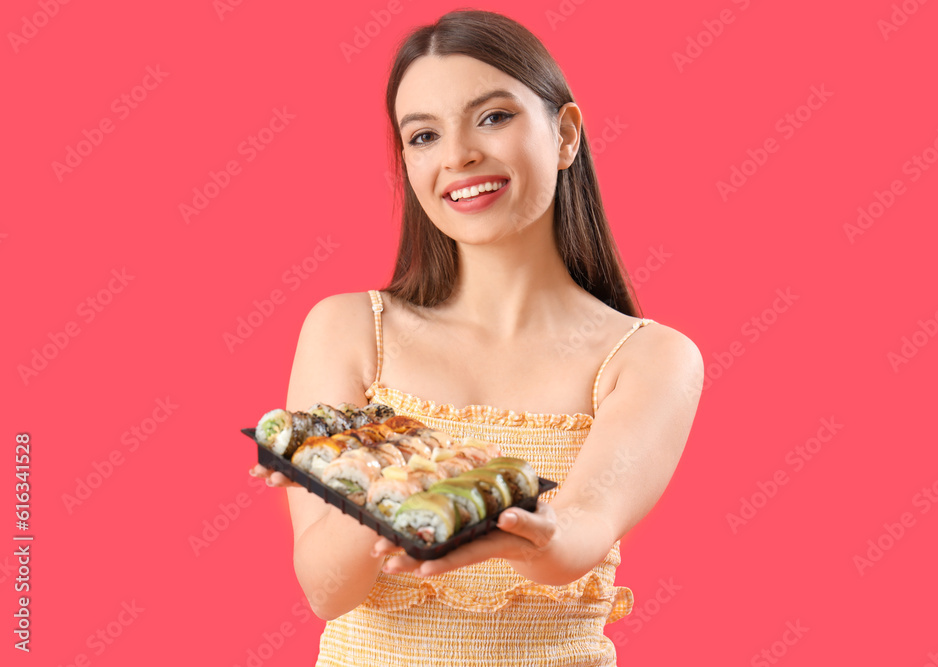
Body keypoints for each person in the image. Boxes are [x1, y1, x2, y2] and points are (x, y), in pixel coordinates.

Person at [249, 9, 703, 666]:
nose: (459, 154)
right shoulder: (348, 329)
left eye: (493, 117)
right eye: (424, 135)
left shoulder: (649, 358)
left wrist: (528, 530)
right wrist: (386, 492)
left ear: (566, 133)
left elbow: (581, 530)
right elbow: (324, 589)